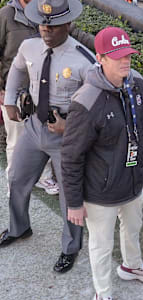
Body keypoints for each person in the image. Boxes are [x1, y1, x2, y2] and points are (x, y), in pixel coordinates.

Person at [61, 27, 143, 300]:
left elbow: (141, 128)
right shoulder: (86, 101)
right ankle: (102, 293)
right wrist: (74, 203)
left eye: (128, 55)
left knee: (133, 228)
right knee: (101, 245)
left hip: (131, 182)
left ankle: (132, 266)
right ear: (101, 58)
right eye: (117, 57)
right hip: (99, 193)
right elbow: (70, 156)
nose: (125, 62)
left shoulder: (137, 84)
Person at [0, 0, 92, 273]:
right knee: (17, 179)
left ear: (67, 24)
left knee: (69, 196)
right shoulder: (29, 46)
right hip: (34, 127)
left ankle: (70, 248)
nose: (46, 31)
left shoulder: (83, 59)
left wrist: (71, 125)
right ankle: (19, 228)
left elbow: (96, 105)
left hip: (65, 137)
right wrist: (10, 100)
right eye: (43, 24)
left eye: (53, 26)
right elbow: (17, 69)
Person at [0, 0, 58, 196]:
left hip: (44, 89)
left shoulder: (47, 11)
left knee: (45, 135)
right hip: (14, 91)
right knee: (16, 140)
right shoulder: (7, 15)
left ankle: (44, 177)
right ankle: (14, 181)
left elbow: (74, 33)